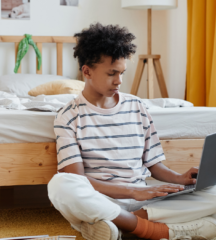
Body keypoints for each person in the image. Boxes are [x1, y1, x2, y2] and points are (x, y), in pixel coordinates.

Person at [48, 22, 216, 240]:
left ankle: (122, 225)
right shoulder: (68, 116)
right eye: (112, 73)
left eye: (122, 73)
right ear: (87, 71)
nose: (119, 81)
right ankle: (151, 228)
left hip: (144, 199)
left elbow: (154, 165)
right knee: (60, 185)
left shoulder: (137, 106)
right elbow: (77, 179)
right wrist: (132, 191)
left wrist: (180, 179)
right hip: (102, 199)